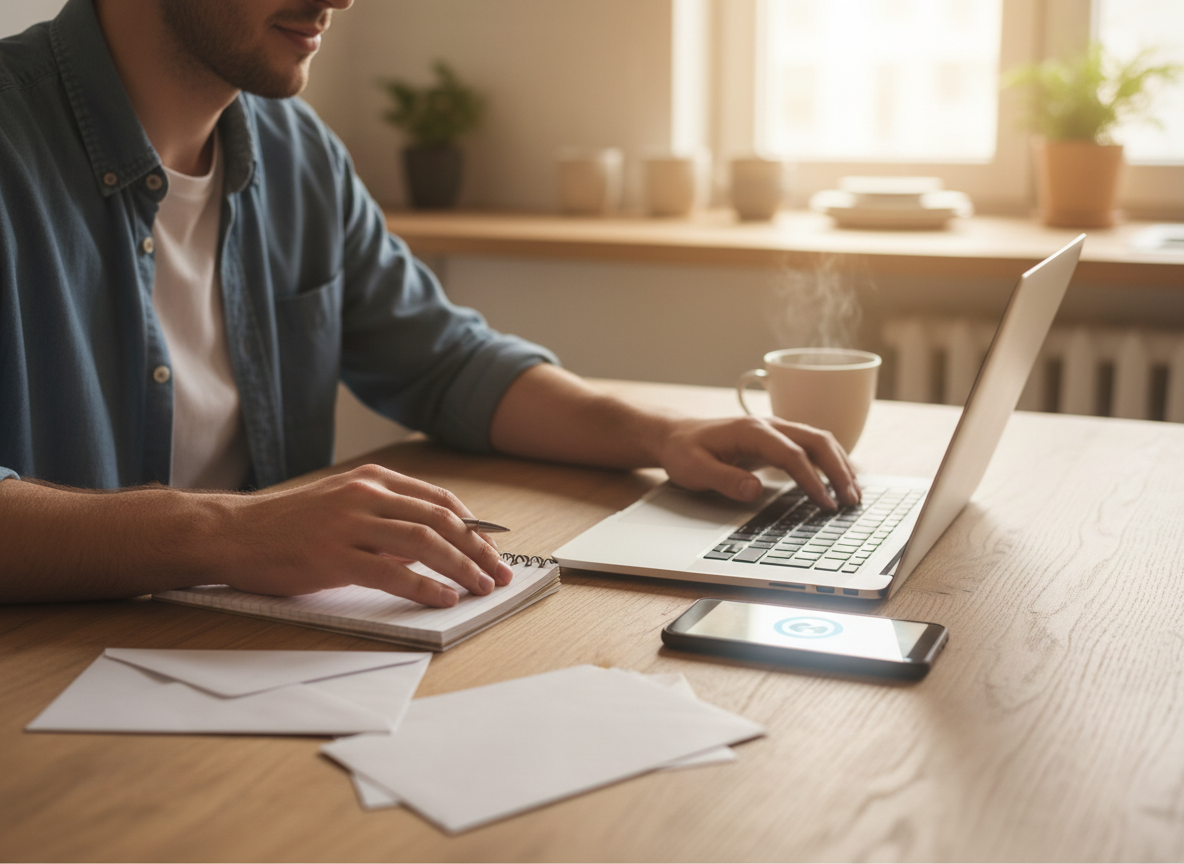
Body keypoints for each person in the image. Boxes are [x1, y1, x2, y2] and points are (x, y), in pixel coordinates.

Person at [0, 0, 859, 607]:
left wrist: (657, 432)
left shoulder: (300, 156)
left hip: (247, 662)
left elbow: (447, 363)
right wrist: (228, 534)